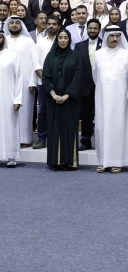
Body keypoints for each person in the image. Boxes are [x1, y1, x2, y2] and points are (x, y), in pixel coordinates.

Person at [92, 25, 128, 173]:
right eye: (112, 36)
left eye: (117, 36)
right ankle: (103, 160)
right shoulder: (98, 54)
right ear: (106, 37)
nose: (115, 38)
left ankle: (117, 161)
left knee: (118, 127)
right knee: (101, 127)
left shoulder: (127, 55)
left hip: (119, 98)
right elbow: (95, 76)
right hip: (102, 97)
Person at [42, 28, 83, 170]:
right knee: (54, 129)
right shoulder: (50, 56)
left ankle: (68, 161)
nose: (63, 40)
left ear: (69, 39)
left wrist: (66, 95)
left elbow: (77, 78)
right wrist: (53, 95)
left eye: (66, 38)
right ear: (57, 40)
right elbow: (45, 77)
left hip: (70, 100)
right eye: (60, 38)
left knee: (68, 129)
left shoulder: (76, 56)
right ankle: (55, 161)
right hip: (53, 100)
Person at [4, 14, 37, 147]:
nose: (14, 25)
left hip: (25, 81)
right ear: (8, 25)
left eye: (17, 23)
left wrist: (33, 81)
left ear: (21, 25)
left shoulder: (28, 41)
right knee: (7, 110)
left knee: (24, 112)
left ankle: (24, 138)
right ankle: (8, 138)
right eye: (11, 23)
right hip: (6, 82)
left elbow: (35, 61)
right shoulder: (4, 40)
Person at [74, 19, 102, 150]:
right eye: (90, 28)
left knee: (103, 115)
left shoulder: (105, 44)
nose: (92, 30)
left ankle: (103, 143)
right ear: (87, 29)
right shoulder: (79, 46)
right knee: (86, 115)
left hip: (102, 86)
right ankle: (86, 141)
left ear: (99, 29)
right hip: (85, 87)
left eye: (95, 28)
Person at [33, 15, 59, 149]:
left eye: (54, 24)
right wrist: (46, 80)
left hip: (60, 84)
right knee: (43, 110)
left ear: (58, 26)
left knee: (58, 112)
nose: (51, 26)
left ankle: (56, 139)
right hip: (42, 83)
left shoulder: (62, 41)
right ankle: (42, 138)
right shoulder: (40, 43)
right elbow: (36, 63)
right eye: (49, 24)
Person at [0, 33, 22, 167]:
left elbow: (19, 77)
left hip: (9, 97)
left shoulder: (12, 55)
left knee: (10, 125)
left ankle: (11, 156)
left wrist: (17, 99)